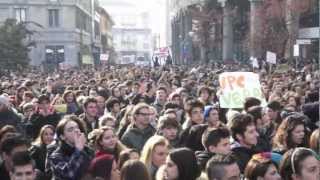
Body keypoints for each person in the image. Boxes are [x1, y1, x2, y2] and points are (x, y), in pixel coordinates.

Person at [47, 115, 93, 180]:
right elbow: (69, 175)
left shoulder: (88, 150)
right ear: (62, 136)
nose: (76, 131)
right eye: (70, 130)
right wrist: (78, 151)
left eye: (77, 127)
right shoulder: (56, 155)